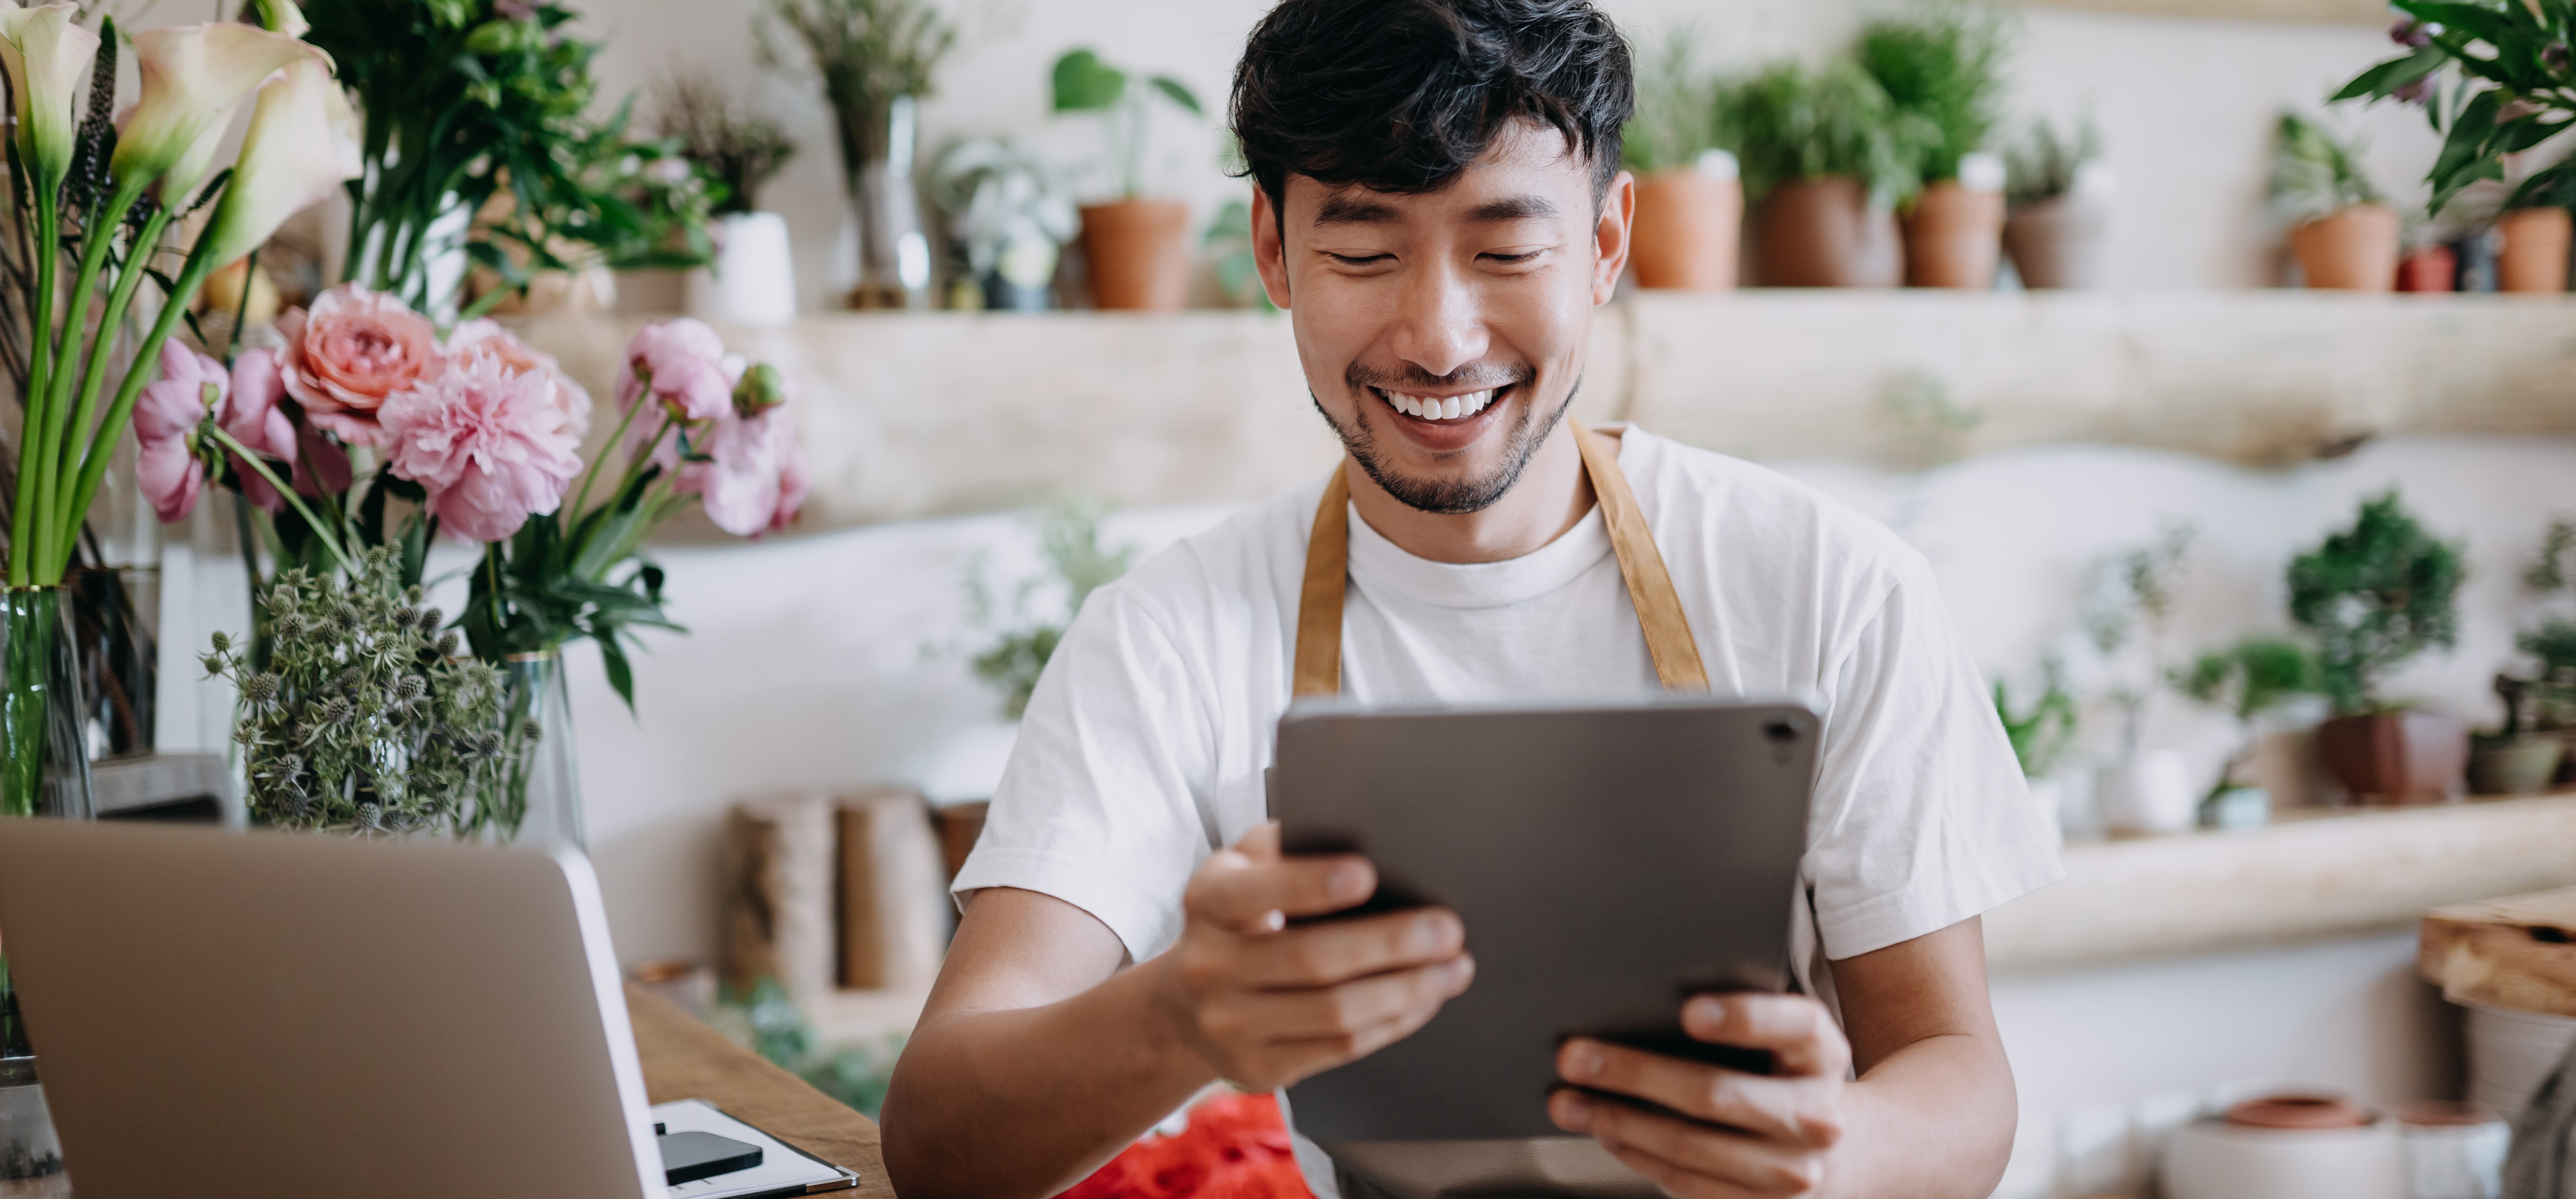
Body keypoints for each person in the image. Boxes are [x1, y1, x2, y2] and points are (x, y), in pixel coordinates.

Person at [879, 1, 2062, 1195]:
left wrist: (1837, 1154)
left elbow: (1959, 1076)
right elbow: (936, 1141)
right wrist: (1179, 1017)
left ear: (1606, 244)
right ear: (1274, 252)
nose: (1439, 341)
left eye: (1507, 252)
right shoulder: (1165, 639)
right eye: (1363, 255)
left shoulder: (1832, 586)